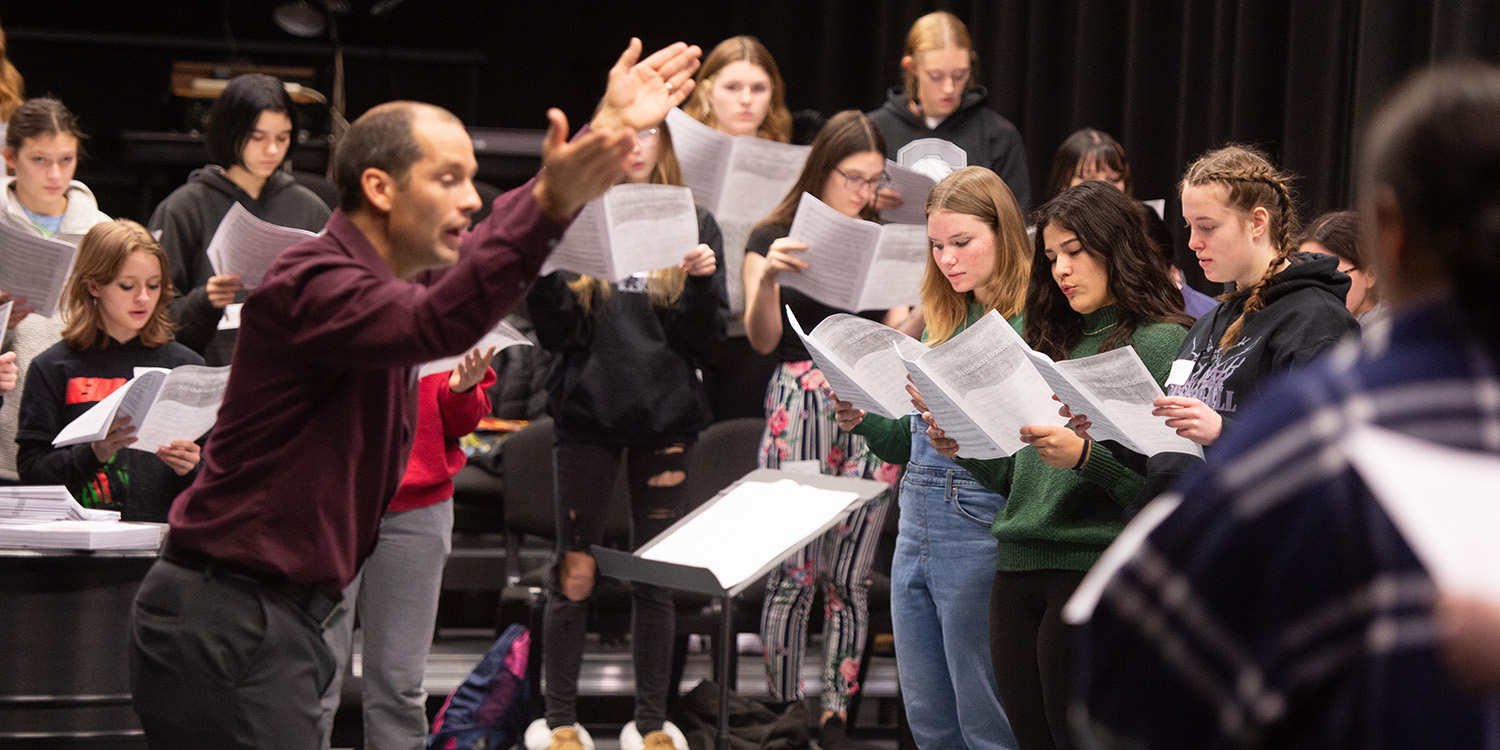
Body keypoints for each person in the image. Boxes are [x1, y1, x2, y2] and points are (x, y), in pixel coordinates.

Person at [126, 38, 702, 750]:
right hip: (231, 620)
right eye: (451, 178)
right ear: (379, 188)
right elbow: (438, 320)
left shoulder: (374, 279)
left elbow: (483, 249)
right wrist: (556, 195)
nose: (472, 197)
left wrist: (602, 130)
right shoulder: (314, 279)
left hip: (274, 620)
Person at [1072, 60, 1500, 750]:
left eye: (1207, 225)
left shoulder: (1320, 425)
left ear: (1388, 229)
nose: (1193, 243)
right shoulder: (1219, 326)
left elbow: (1127, 690)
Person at [922, 180, 1193, 750]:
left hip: (1091, 566)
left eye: (1075, 251)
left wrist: (1088, 459)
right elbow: (1022, 480)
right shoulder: (1050, 340)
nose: (1062, 269)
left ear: (1114, 247)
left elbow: (1164, 491)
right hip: (1015, 568)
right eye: (1050, 257)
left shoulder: (1162, 341)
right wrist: (963, 446)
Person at [524, 116, 726, 750]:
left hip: (665, 418)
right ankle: (559, 721)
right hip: (587, 414)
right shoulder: (582, 213)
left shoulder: (692, 219)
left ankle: (650, 722)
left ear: (664, 145)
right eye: (626, 134)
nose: (637, 146)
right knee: (575, 569)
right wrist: (543, 271)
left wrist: (699, 283)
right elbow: (559, 335)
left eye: (649, 135)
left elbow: (702, 339)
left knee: (654, 575)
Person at [834, 165, 1027, 750]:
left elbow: (1030, 457)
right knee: (929, 718)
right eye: (937, 245)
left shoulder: (1029, 322)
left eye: (962, 243)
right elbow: (907, 441)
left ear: (1004, 235)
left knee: (984, 717)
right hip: (915, 522)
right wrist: (865, 416)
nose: (947, 259)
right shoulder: (944, 317)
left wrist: (962, 432)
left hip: (977, 522)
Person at [740, 109, 908, 749]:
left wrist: (913, 301)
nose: (863, 193)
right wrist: (769, 277)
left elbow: (899, 334)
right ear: (821, 169)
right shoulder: (774, 232)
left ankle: (837, 716)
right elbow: (761, 337)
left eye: (873, 181)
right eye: (852, 178)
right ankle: (785, 714)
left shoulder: (884, 234)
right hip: (799, 397)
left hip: (867, 400)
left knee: (850, 578)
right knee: (794, 573)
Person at [318, 345, 496, 750]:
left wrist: (462, 390)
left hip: (417, 509)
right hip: (331, 503)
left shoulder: (444, 313)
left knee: (399, 683)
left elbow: (464, 420)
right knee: (315, 676)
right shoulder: (331, 301)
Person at [15, 220, 203, 521]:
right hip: (75, 546)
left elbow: (220, 478)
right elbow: (32, 473)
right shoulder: (52, 367)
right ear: (94, 286)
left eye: (154, 285)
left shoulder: (184, 366)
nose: (143, 297)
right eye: (127, 286)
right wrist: (94, 453)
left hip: (160, 543)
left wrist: (192, 468)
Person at [148, 73, 332, 366]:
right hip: (208, 375)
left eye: (282, 138)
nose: (272, 150)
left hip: (290, 378)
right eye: (258, 137)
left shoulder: (310, 209)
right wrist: (204, 301)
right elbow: (152, 313)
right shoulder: (183, 208)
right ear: (230, 132)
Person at [0, 98, 112, 486]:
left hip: (71, 418)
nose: (55, 173)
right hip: (6, 408)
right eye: (40, 160)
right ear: (10, 157)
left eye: (66, 160)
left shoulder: (100, 229)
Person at [682, 35, 791, 422]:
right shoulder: (678, 153)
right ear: (708, 91)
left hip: (752, 338)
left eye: (758, 89)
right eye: (733, 88)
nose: (746, 100)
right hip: (688, 323)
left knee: (738, 450)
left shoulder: (787, 162)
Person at [868, 11, 1031, 212]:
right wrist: (865, 200)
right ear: (911, 67)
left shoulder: (998, 135)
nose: (949, 88)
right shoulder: (874, 131)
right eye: (936, 76)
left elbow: (1017, 222)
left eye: (959, 75)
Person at [1046, 128, 1214, 319]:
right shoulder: (1046, 232)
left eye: (1114, 179)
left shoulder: (1144, 221)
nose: (1102, 187)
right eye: (1087, 178)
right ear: (1062, 181)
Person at [1299, 209, 1386, 327]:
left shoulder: (1384, 337)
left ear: (1370, 276)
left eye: (1331, 274)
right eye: (1306, 276)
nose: (1315, 289)